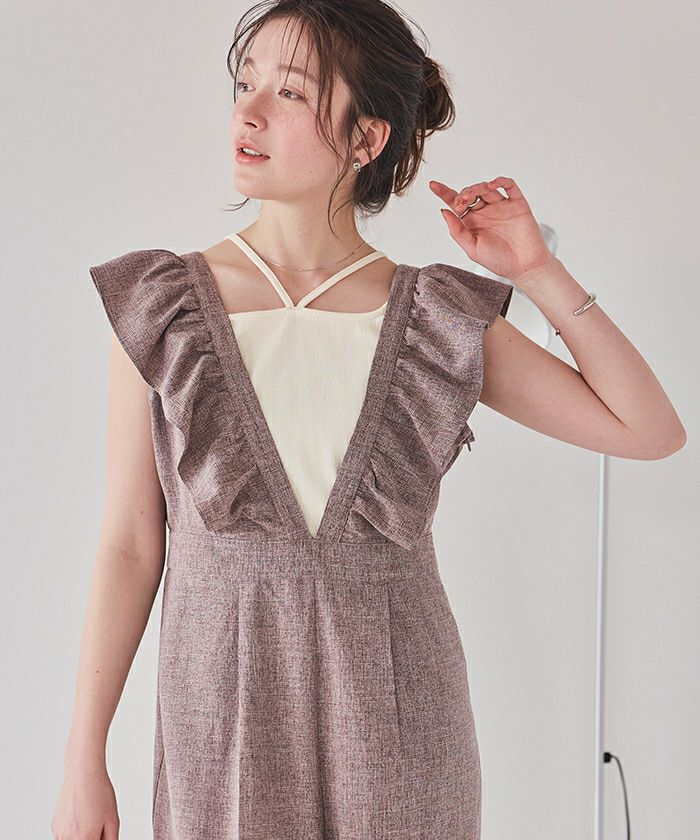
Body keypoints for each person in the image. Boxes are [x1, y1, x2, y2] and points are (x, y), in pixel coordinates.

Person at [52, 1, 687, 838]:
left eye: (290, 92)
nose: (249, 111)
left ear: (366, 139)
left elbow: (649, 430)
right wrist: (83, 758)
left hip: (400, 729)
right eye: (246, 85)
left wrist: (536, 269)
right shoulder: (161, 306)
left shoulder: (432, 320)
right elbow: (131, 545)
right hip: (222, 718)